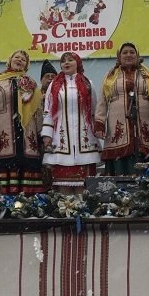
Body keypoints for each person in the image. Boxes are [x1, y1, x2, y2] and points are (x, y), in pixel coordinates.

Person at [0, 49, 45, 195]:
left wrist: (41, 134)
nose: (19, 60)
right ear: (10, 60)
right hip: (3, 133)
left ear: (26, 65)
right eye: (17, 57)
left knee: (26, 165)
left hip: (27, 134)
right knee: (4, 166)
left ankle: (28, 203)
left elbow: (37, 111)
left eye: (23, 59)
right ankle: (2, 202)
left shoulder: (31, 84)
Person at [94, 42, 149, 175]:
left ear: (137, 55)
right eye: (125, 52)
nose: (128, 55)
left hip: (144, 125)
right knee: (120, 166)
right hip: (117, 125)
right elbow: (102, 101)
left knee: (146, 163)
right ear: (119, 56)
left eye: (132, 52)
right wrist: (99, 124)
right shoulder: (110, 76)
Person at [41, 52, 101, 193]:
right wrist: (47, 134)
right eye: (63, 61)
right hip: (61, 140)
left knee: (84, 187)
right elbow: (48, 112)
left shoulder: (88, 83)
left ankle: (83, 206)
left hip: (84, 140)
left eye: (70, 60)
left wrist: (97, 130)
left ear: (77, 63)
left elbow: (93, 110)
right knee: (63, 187)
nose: (66, 63)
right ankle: (64, 206)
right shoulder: (54, 85)